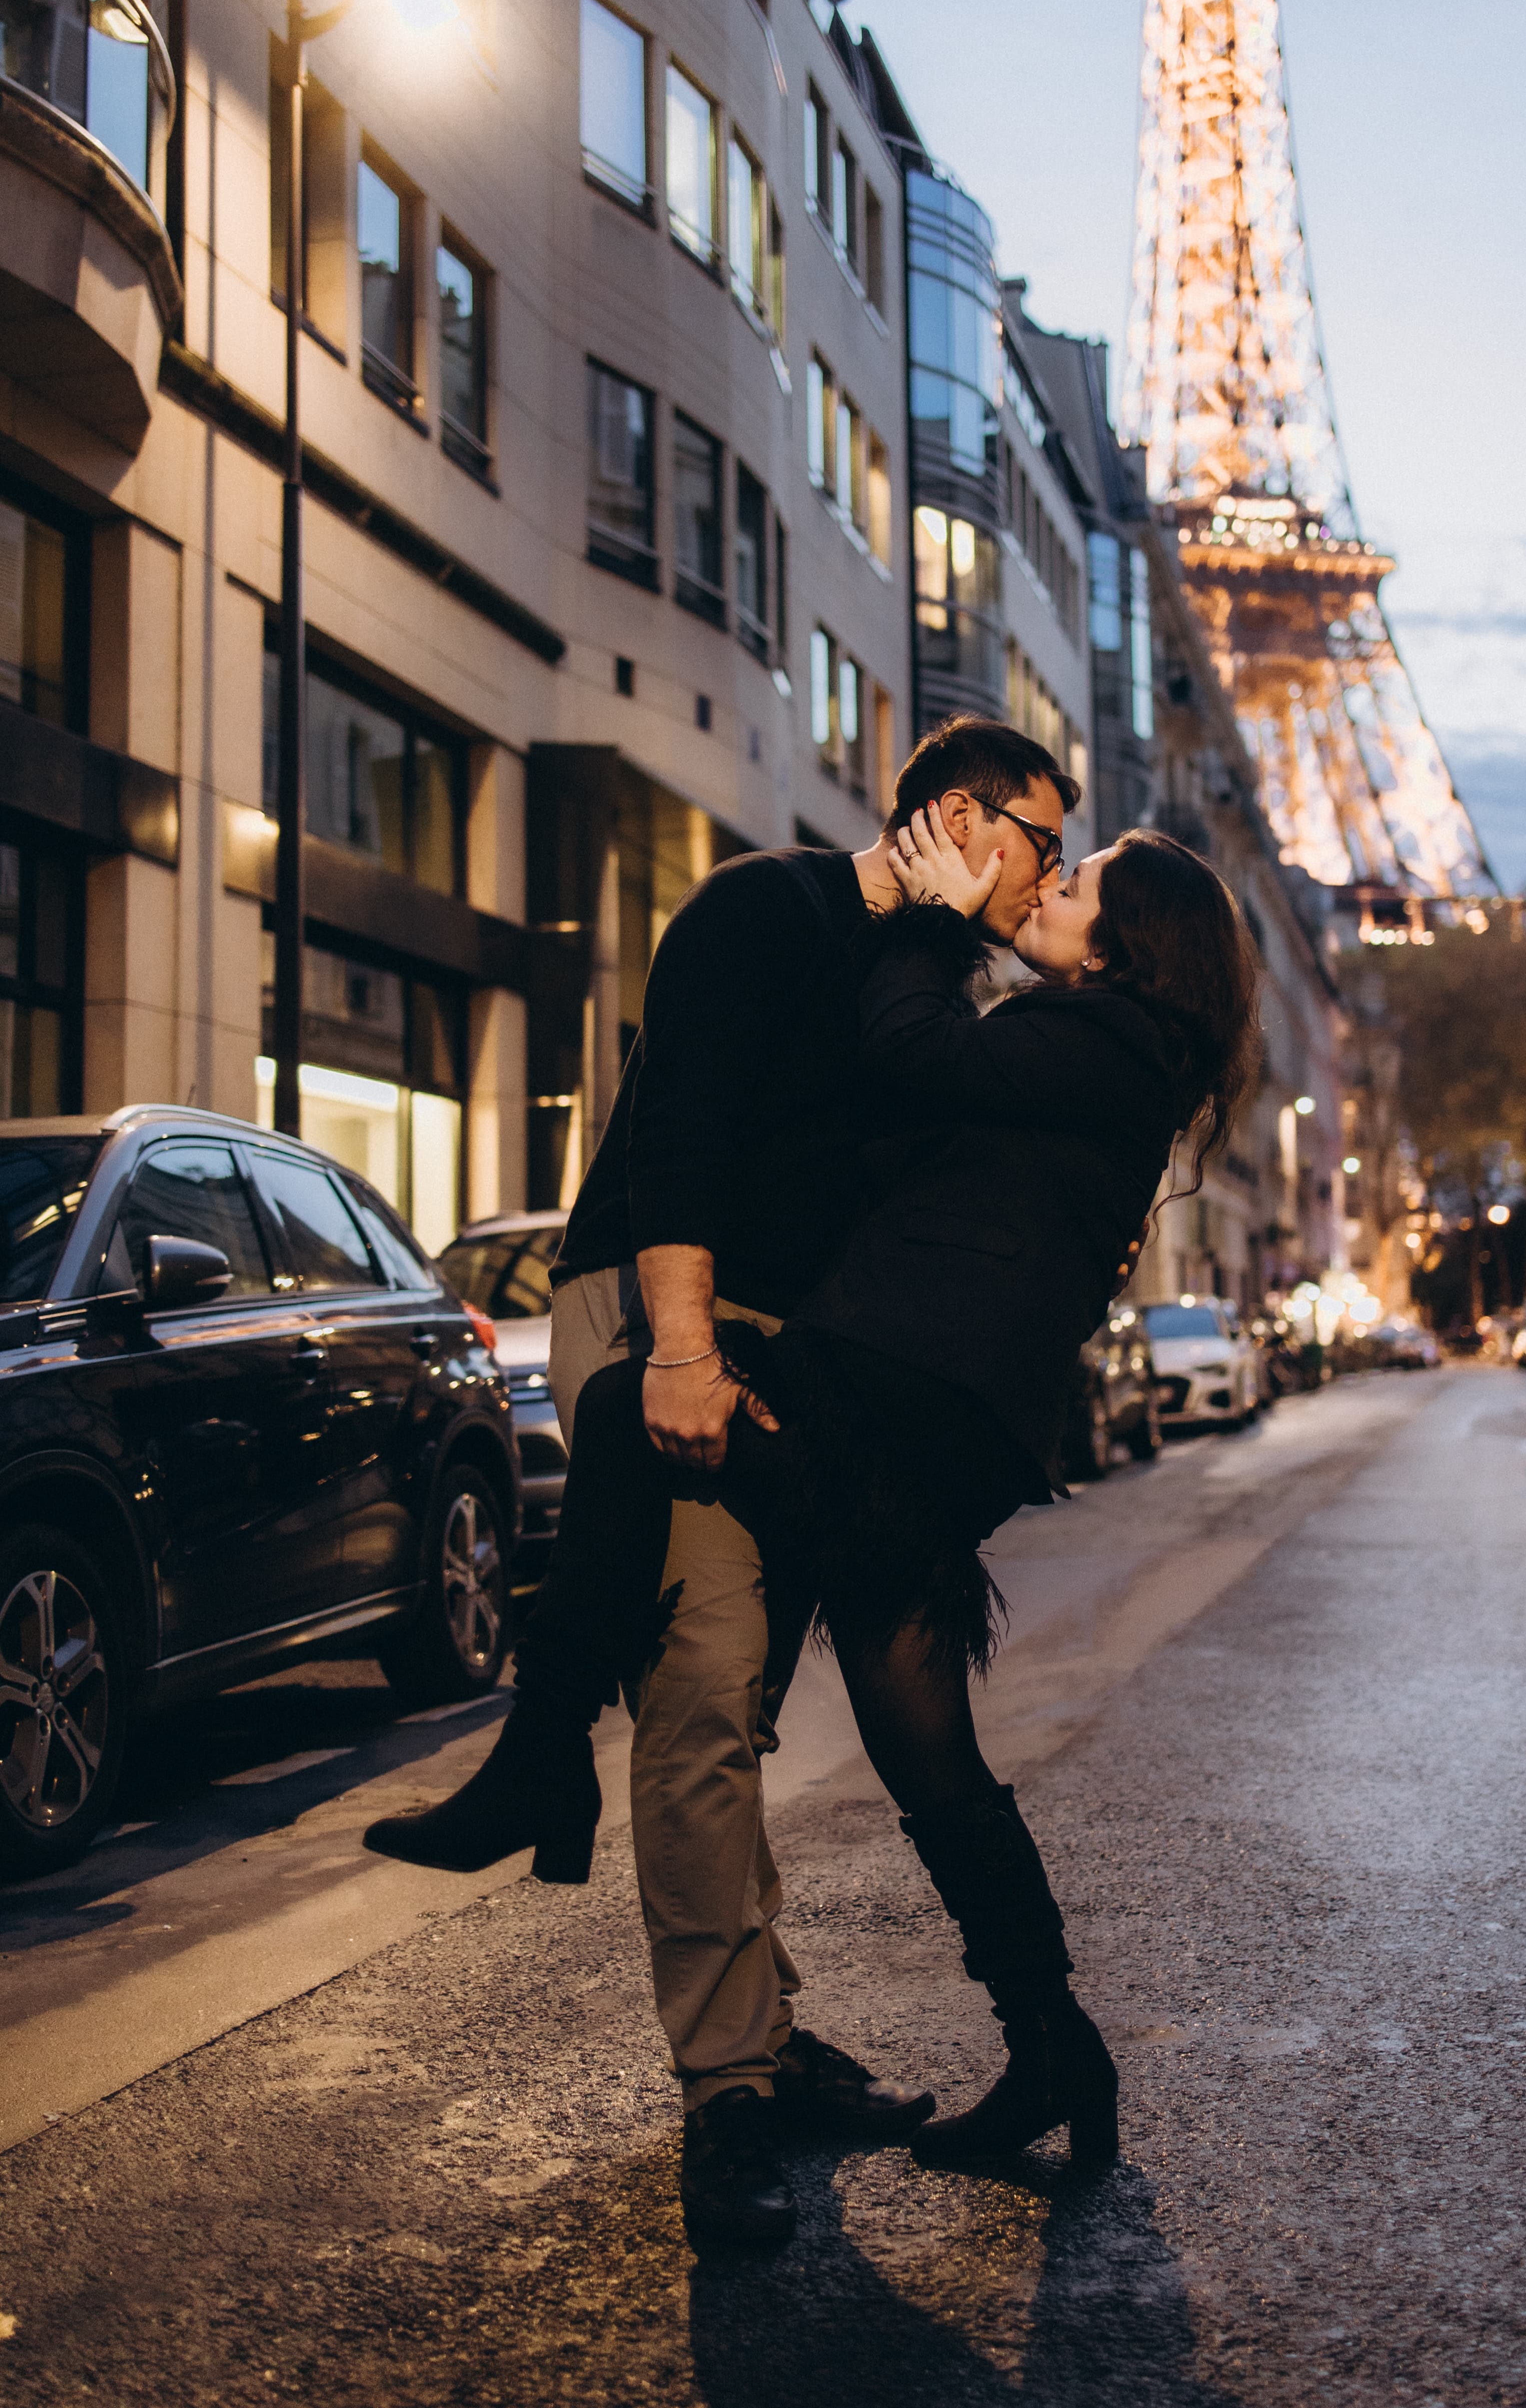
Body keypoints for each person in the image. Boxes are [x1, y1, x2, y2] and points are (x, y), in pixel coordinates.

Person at [364, 717, 1080, 2246]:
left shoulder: (932, 986)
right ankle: (728, 2095)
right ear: (960, 819)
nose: (1049, 871)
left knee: (735, 1700)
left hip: (787, 1363)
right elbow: (679, 1135)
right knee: (701, 1682)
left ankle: (755, 2027)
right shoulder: (767, 905)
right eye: (1039, 839)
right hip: (663, 1309)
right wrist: (682, 1348)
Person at [520, 803, 1260, 2198]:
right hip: (935, 1417)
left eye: (1083, 879)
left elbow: (918, 1048)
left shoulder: (1104, 1035)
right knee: (930, 1757)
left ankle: (542, 1741)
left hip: (907, 1410)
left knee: (640, 1407)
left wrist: (930, 919)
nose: (1055, 882)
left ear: (1126, 944)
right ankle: (1057, 2051)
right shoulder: (1109, 1047)